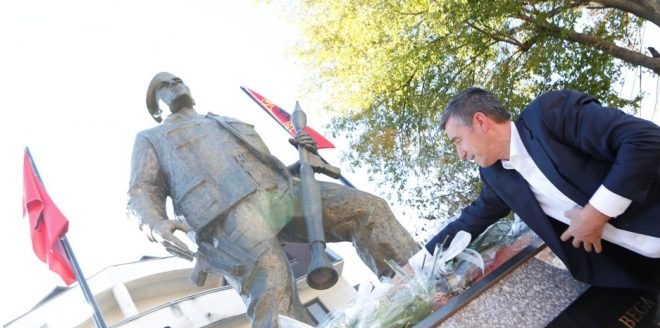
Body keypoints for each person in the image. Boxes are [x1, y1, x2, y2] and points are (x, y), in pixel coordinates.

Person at [127, 72, 418, 327]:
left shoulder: (226, 121)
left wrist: (300, 159)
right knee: (272, 287)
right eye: (163, 85)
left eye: (177, 79)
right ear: (156, 109)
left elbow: (264, 165)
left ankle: (425, 286)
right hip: (229, 217)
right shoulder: (152, 137)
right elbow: (141, 190)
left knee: (368, 209)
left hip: (280, 189)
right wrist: (153, 223)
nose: (174, 84)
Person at [426, 87, 660, 294]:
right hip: (643, 274)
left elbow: (644, 139)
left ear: (480, 121)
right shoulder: (497, 177)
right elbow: (467, 223)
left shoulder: (550, 113)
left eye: (458, 141)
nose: (462, 154)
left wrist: (597, 213)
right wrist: (414, 268)